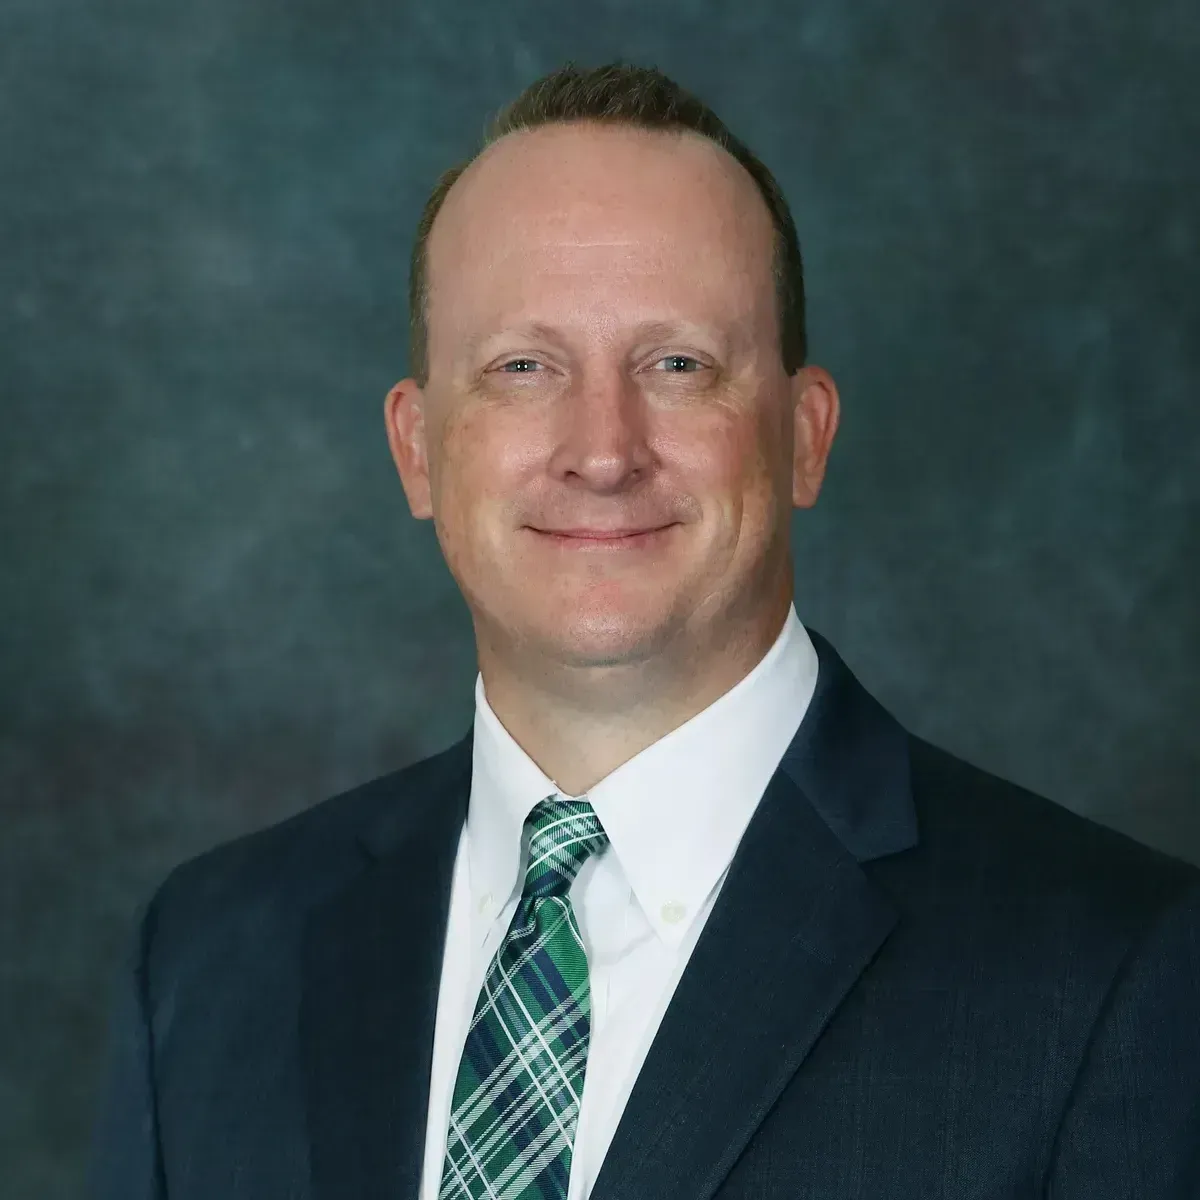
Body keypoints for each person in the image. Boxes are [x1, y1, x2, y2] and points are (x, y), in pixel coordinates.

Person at [88, 61, 1200, 1200]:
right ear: (418, 449)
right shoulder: (208, 959)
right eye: (523, 368)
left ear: (804, 435)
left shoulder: (1120, 973)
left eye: (678, 365)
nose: (605, 450)